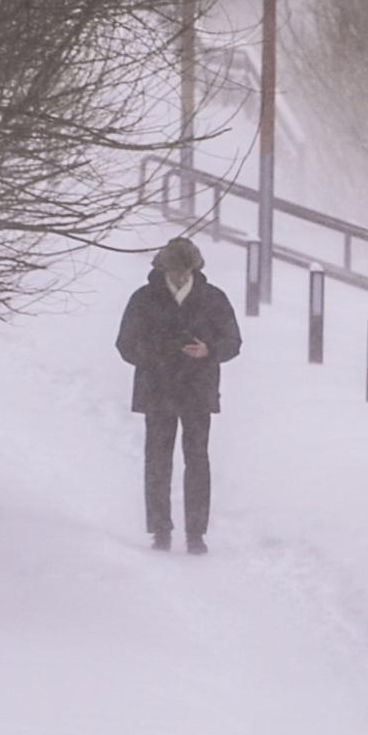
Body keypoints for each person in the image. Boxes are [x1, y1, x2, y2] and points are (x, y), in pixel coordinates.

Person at [114, 237, 242, 553]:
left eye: (186, 270)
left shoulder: (213, 299)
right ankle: (161, 530)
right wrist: (156, 353)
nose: (181, 276)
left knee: (197, 460)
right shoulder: (144, 299)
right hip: (159, 389)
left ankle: (196, 533)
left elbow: (233, 342)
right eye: (176, 270)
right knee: (158, 461)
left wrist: (209, 350)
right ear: (164, 268)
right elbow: (125, 344)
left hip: (196, 390)